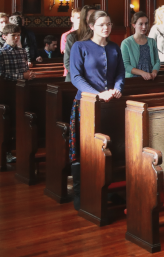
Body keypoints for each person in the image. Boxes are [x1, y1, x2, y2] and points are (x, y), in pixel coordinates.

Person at [68, 11, 124, 210]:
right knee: (84, 150)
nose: (106, 28)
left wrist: (117, 88)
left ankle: (111, 189)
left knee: (111, 147)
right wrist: (97, 94)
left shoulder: (114, 47)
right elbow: (76, 77)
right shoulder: (79, 46)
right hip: (86, 104)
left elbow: (119, 72)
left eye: (108, 24)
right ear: (91, 26)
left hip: (110, 105)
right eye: (101, 24)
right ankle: (80, 192)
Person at [122, 11, 161, 79]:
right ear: (134, 25)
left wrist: (154, 71)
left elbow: (157, 61)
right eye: (140, 24)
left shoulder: (152, 41)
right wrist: (142, 73)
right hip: (133, 79)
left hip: (150, 77)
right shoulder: (126, 43)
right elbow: (126, 65)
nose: (144, 27)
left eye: (146, 24)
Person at [63, 6, 95, 81]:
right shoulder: (73, 37)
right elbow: (68, 62)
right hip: (75, 79)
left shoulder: (99, 36)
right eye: (92, 16)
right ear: (84, 18)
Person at [61, 8, 82, 78]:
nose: (80, 20)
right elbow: (67, 54)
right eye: (78, 18)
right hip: (70, 71)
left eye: (82, 18)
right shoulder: (66, 35)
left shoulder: (87, 34)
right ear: (72, 19)